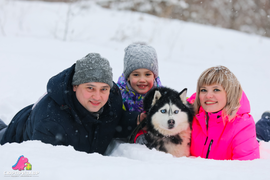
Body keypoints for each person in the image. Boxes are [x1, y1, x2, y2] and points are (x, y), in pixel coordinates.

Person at [0, 53, 140, 155]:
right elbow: (46, 168)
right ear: (75, 86)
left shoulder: (112, 98)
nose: (97, 96)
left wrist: (137, 120)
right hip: (14, 137)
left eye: (104, 89)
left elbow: (114, 120)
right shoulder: (51, 122)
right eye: (90, 88)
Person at [187, 65, 260, 160]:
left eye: (216, 90)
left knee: (262, 132)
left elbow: (245, 169)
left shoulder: (242, 125)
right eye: (203, 90)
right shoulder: (189, 114)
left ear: (229, 93)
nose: (208, 95)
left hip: (253, 137)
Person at [116, 42, 162, 143]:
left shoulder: (160, 95)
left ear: (154, 76)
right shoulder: (118, 94)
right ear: (127, 76)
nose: (142, 80)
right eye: (136, 75)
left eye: (147, 74)